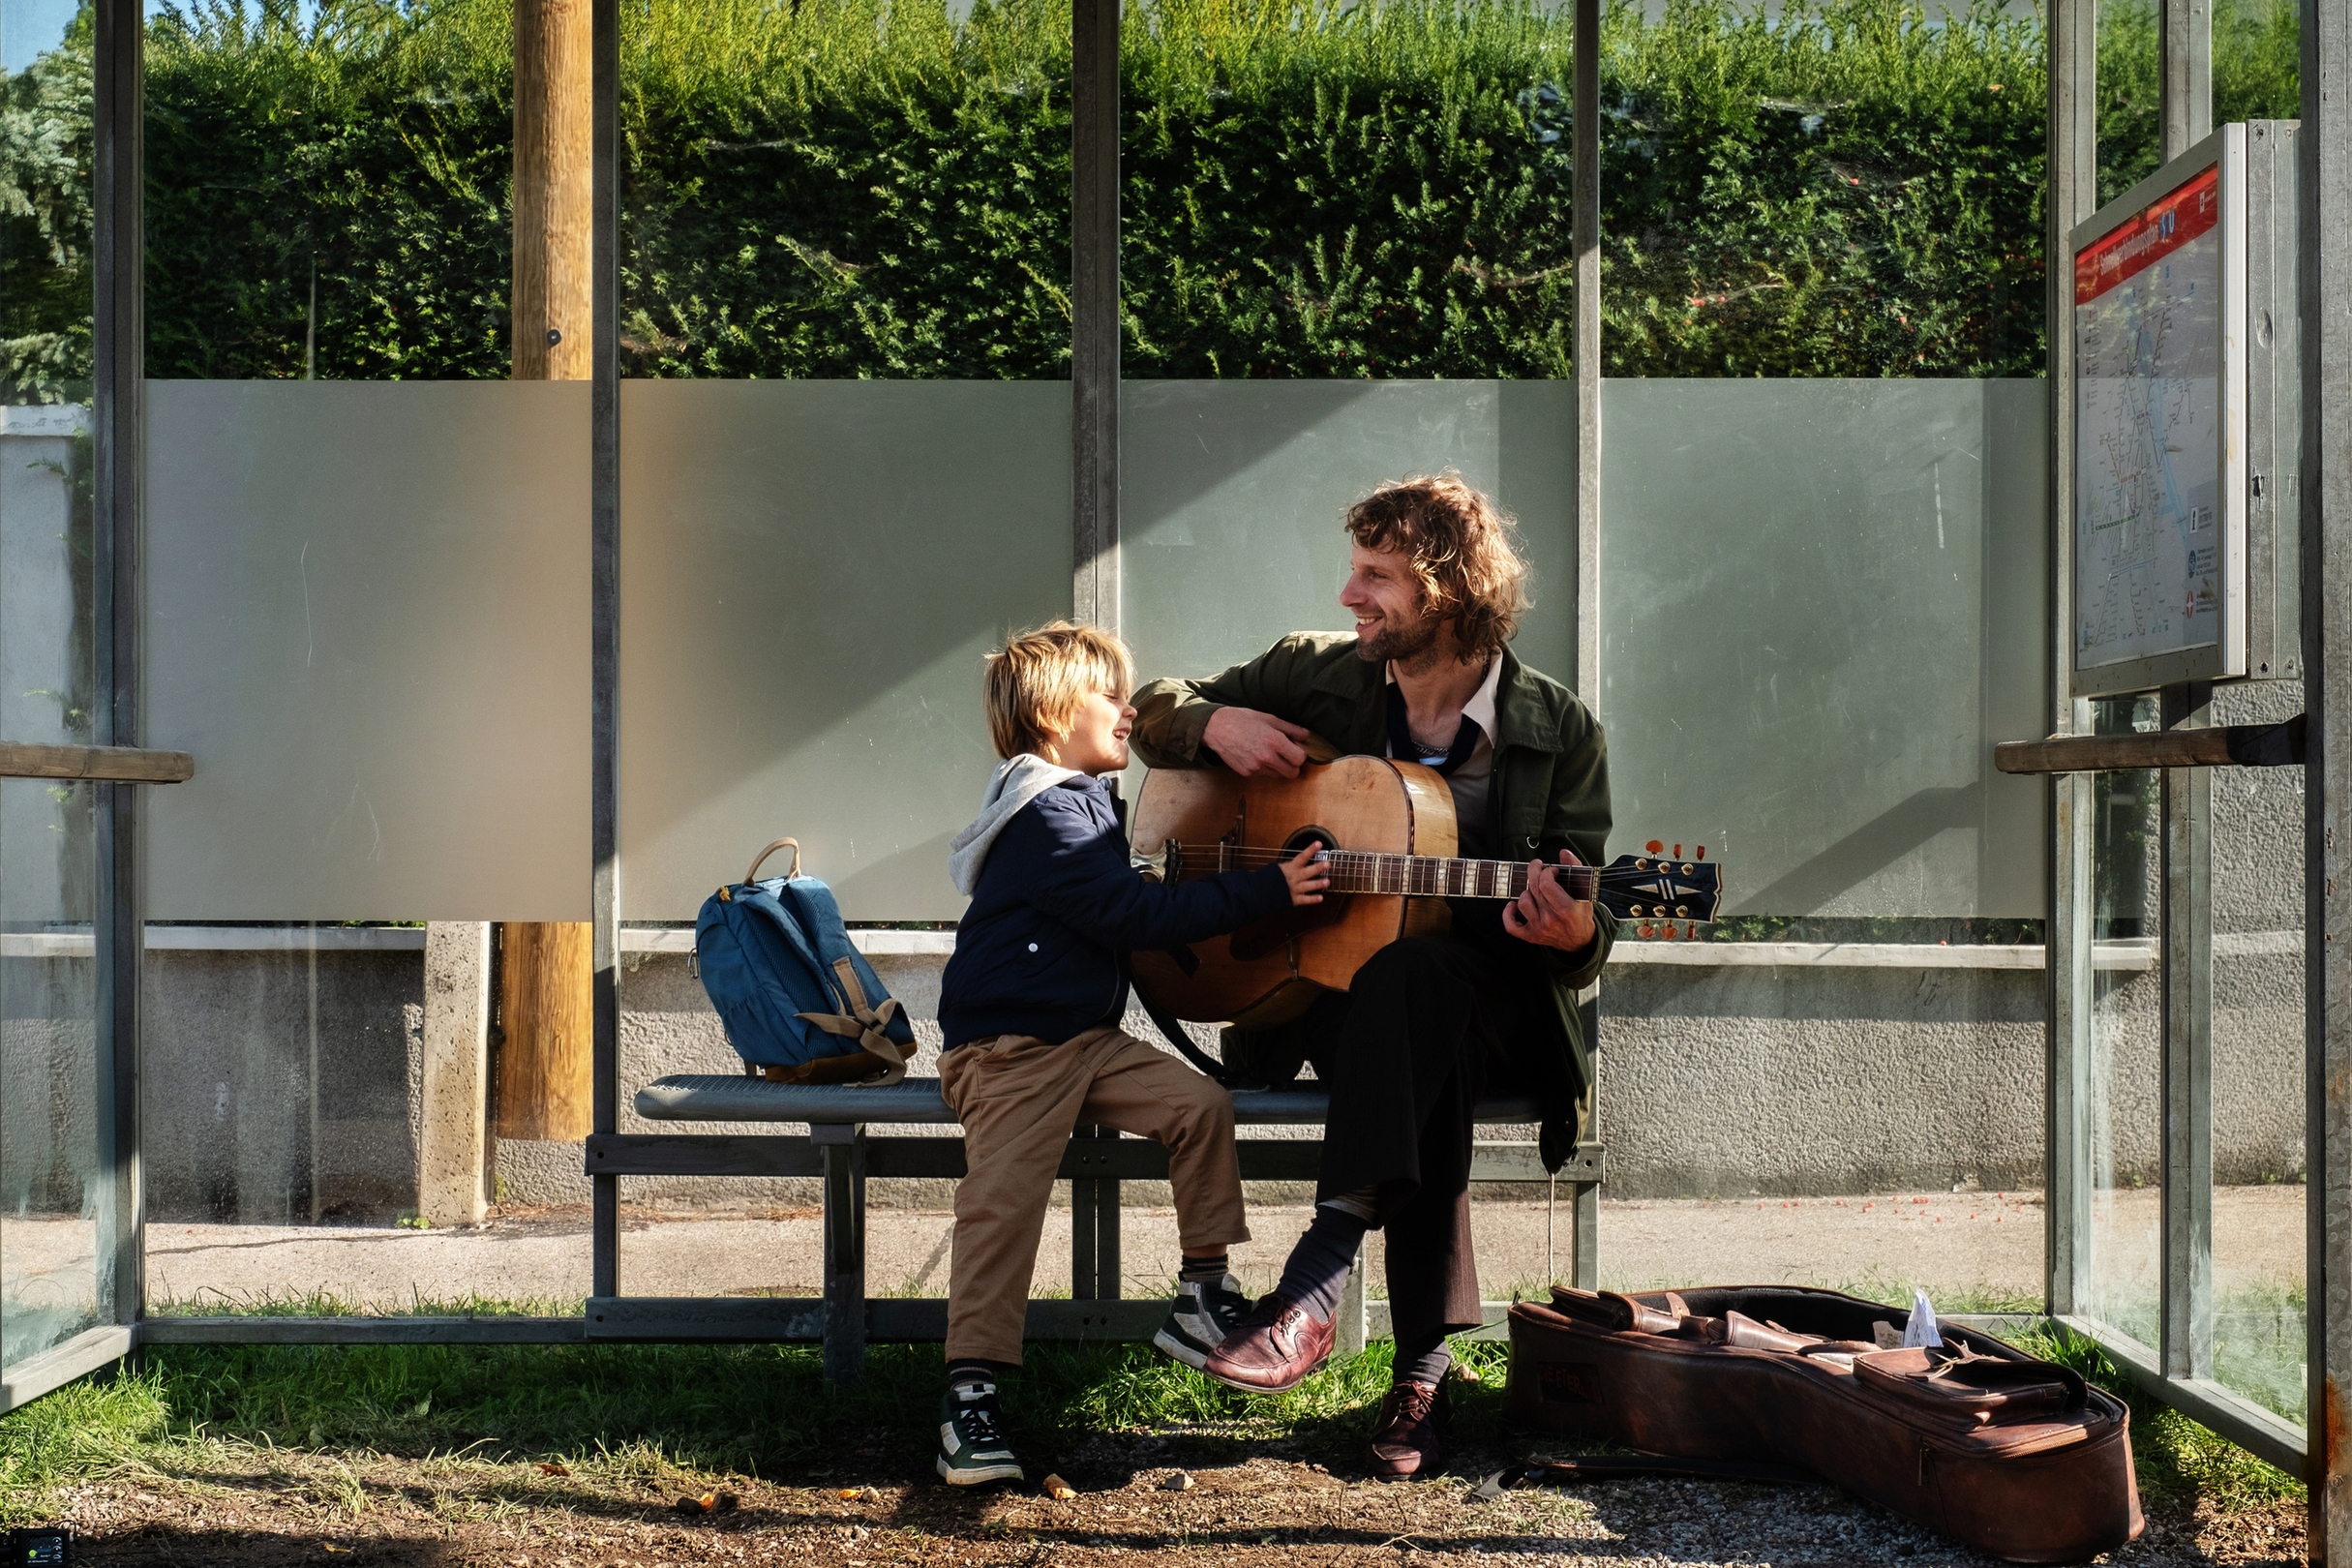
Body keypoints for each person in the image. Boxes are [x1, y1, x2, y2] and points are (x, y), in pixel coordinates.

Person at [1130, 473, 1614, 1481]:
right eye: (1355, 572)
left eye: (1376, 576)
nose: (1350, 596)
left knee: (1420, 984)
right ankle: (1421, 1383)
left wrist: (1569, 933)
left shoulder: (1557, 729)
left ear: (1444, 588)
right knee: (1405, 1008)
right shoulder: (1316, 673)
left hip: (1498, 1006)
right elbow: (1148, 709)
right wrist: (1210, 727)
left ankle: (1313, 1282)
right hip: (1318, 997)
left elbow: (1591, 925)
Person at [932, 621, 1331, 1488]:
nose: (1129, 710)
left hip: (1082, 1043)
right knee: (1002, 1208)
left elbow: (1123, 909)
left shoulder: (1077, 804)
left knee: (1199, 1108)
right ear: (1050, 713)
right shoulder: (1047, 811)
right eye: (1110, 695)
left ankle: (1199, 1294)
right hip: (1011, 1054)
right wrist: (1270, 890)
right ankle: (970, 1400)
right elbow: (1131, 918)